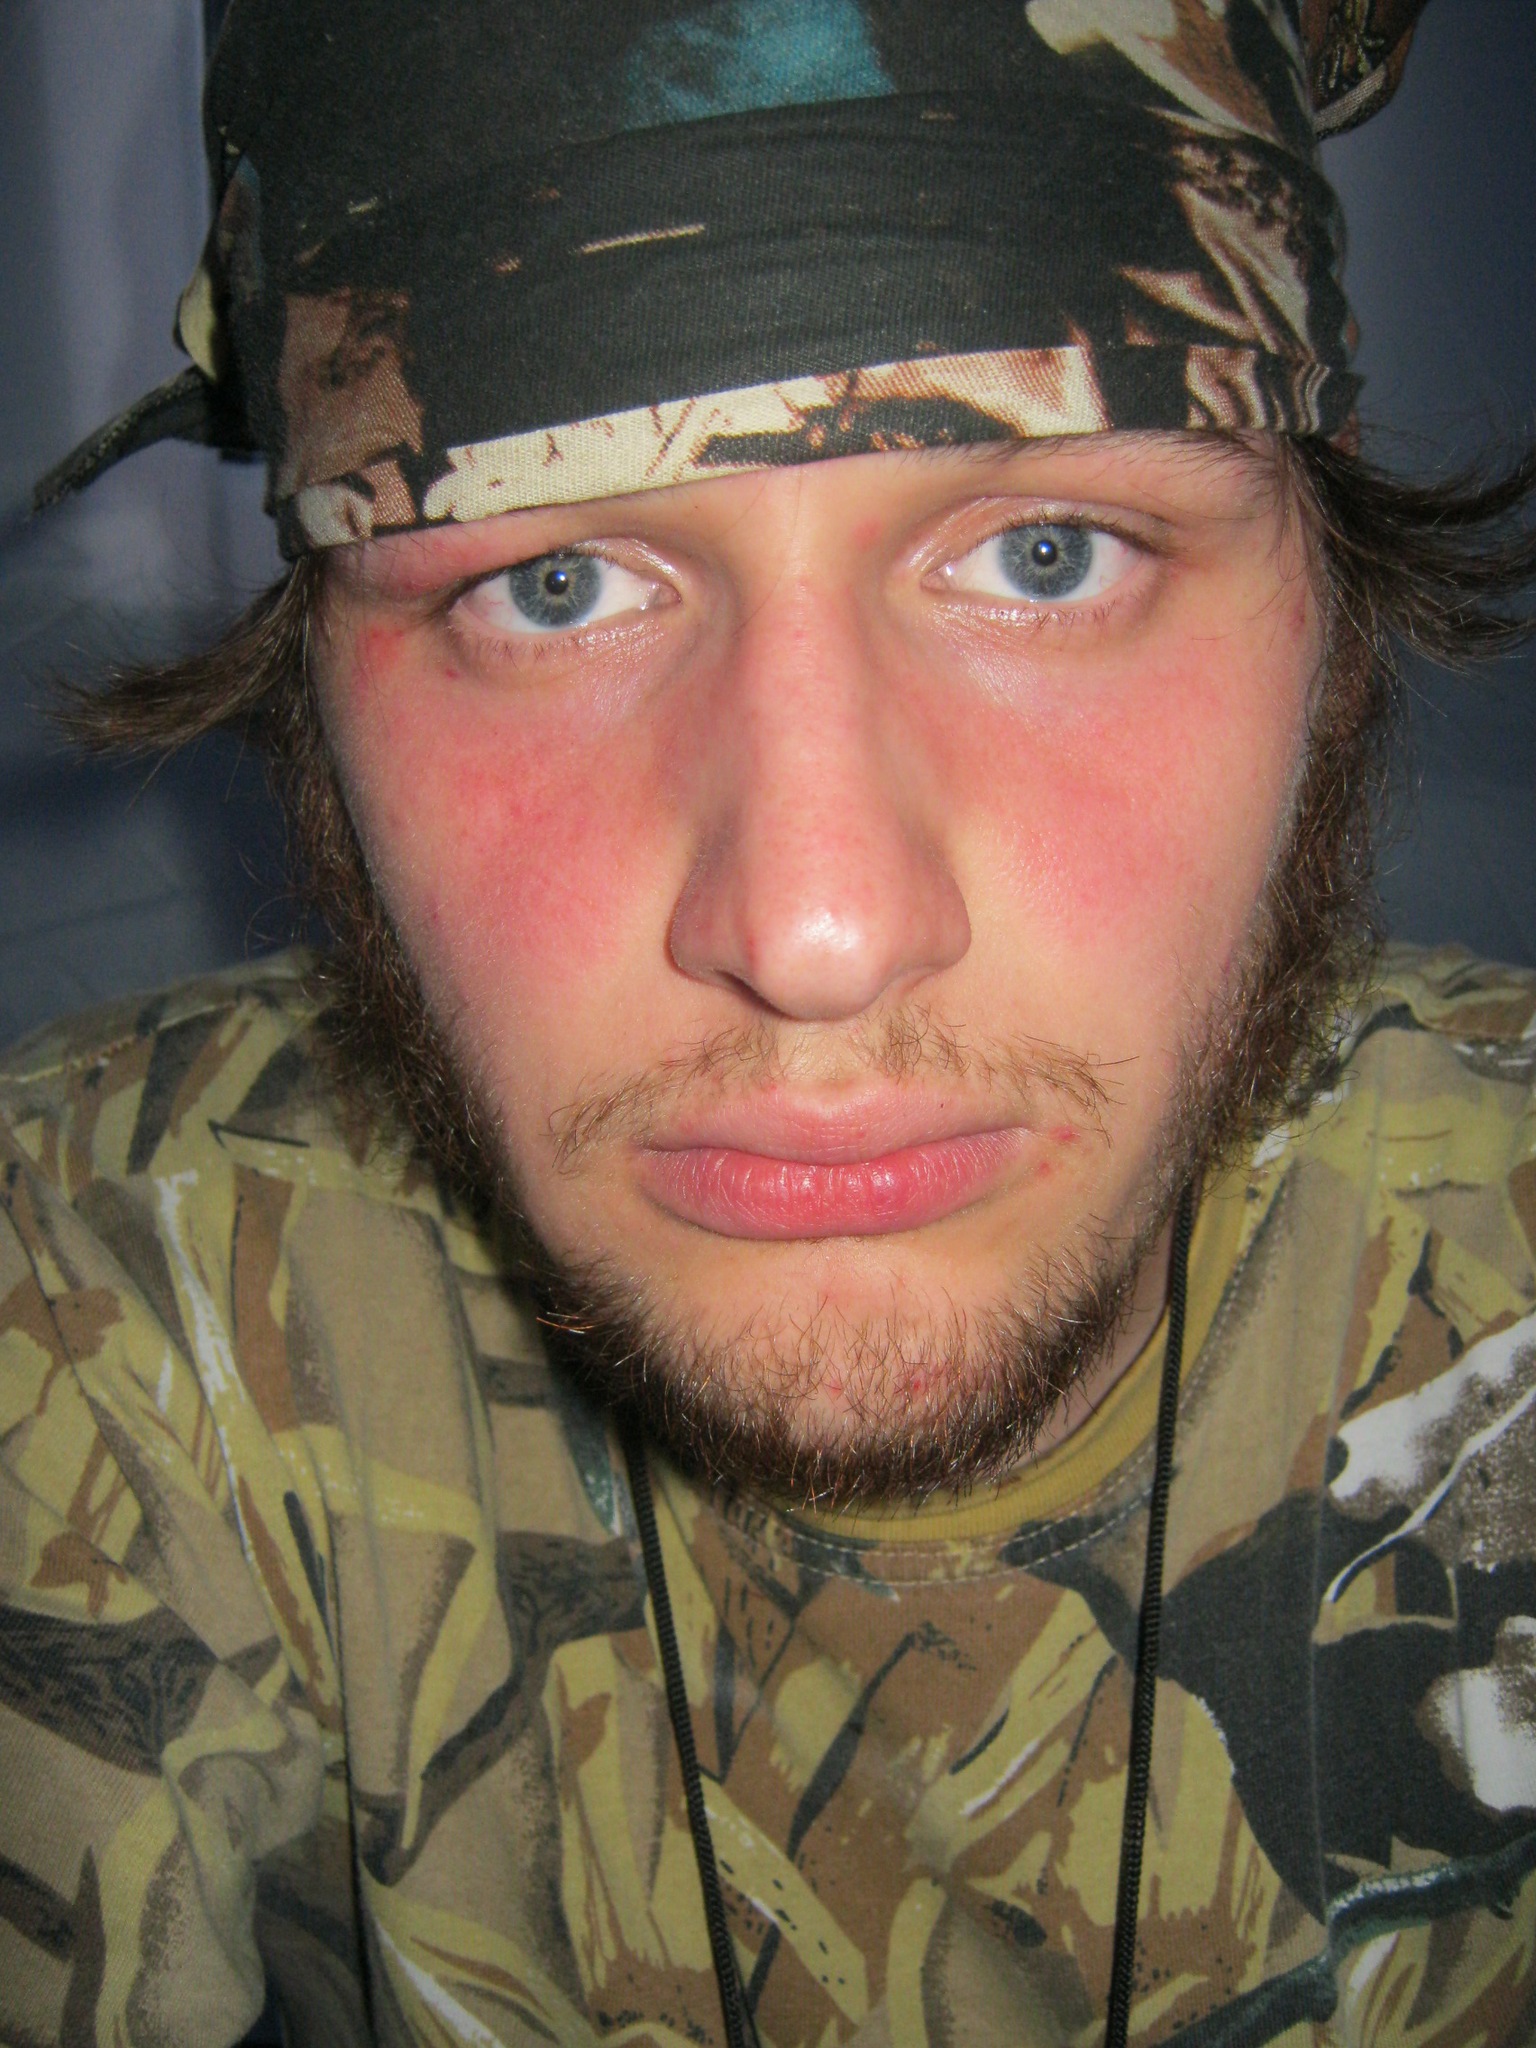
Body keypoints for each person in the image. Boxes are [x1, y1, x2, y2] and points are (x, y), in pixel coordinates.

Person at [4, 1, 1535, 2043]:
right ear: (320, 714)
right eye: (555, 588)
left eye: (1048, 555)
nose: (817, 931)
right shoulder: (90, 1294)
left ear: (1330, 631)